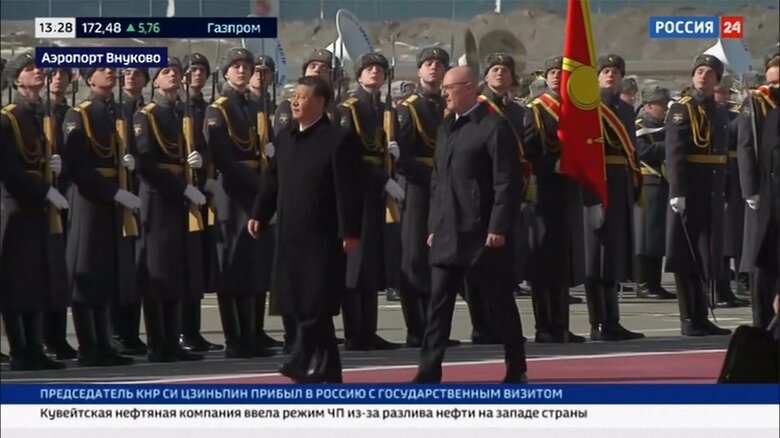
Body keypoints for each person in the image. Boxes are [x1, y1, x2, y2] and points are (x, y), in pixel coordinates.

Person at [412, 66, 527, 384]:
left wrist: (498, 227)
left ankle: (516, 366)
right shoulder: (446, 127)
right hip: (448, 231)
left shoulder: (493, 127)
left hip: (481, 234)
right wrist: (433, 225)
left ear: (469, 87)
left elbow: (507, 182)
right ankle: (428, 370)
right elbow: (438, 180)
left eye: (450, 87)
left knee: (498, 301)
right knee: (439, 305)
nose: (444, 94)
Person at [248, 75, 362, 383]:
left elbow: (348, 191)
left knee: (315, 302)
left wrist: (350, 231)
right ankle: (329, 371)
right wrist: (260, 213)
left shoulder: (337, 139)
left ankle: (300, 359)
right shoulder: (286, 138)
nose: (295, 101)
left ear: (320, 102)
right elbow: (272, 181)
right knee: (301, 304)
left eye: (302, 96)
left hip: (323, 236)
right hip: (290, 235)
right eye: (294, 96)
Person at [62, 65, 138, 367]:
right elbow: (78, 167)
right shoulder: (78, 114)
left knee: (105, 274)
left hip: (110, 199)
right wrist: (113, 192)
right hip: (90, 200)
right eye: (102, 69)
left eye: (111, 68)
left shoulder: (115, 112)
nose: (110, 72)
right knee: (87, 272)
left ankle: (105, 343)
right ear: (88, 78)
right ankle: (89, 346)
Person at [132, 57, 206, 363]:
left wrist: (199, 165)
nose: (173, 75)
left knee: (177, 272)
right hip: (158, 199)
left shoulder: (185, 113)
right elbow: (146, 163)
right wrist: (181, 187)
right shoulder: (145, 115)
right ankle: (158, 343)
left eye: (176, 71)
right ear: (155, 82)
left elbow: (197, 150)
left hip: (179, 200)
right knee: (157, 274)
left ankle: (173, 341)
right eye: (166, 72)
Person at [0, 52, 69, 370]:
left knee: (37, 279)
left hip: (37, 208)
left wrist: (54, 169)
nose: (38, 72)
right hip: (15, 208)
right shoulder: (8, 118)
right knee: (16, 283)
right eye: (29, 69)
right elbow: (10, 169)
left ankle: (36, 348)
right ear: (17, 80)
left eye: (38, 67)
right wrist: (44, 189)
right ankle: (20, 350)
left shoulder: (42, 114)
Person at [204, 47, 274, 358]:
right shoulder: (217, 109)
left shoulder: (254, 106)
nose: (243, 71)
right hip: (233, 193)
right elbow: (224, 159)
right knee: (233, 267)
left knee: (253, 264)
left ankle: (253, 334)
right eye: (237, 66)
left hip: (255, 190)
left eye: (247, 66)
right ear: (226, 72)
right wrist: (262, 186)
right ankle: (235, 339)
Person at [395, 47, 460, 347]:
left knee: (442, 258)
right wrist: (432, 179)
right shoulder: (409, 109)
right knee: (415, 257)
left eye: (439, 64)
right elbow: (403, 157)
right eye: (428, 63)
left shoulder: (451, 107)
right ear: (419, 70)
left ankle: (437, 329)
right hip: (419, 189)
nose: (434, 68)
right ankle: (416, 327)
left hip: (447, 189)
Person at [338, 52, 402, 351]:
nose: (375, 72)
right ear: (358, 75)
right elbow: (349, 157)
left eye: (380, 68)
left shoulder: (384, 110)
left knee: (371, 264)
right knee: (356, 264)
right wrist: (381, 179)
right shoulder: (348, 108)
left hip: (376, 193)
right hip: (357, 192)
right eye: (369, 68)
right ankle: (355, 332)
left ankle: (369, 330)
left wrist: (393, 159)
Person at [665, 54, 732, 336]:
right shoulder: (683, 108)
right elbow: (675, 151)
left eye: (709, 73)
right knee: (686, 254)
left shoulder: (717, 109)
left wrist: (725, 189)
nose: (703, 76)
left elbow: (722, 154)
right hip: (690, 188)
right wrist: (677, 191)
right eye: (700, 71)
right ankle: (688, 318)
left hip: (711, 189)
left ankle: (701, 314)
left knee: (706, 254)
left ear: (717, 79)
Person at [523, 55, 587, 343]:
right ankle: (544, 326)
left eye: (561, 73)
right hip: (544, 190)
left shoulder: (575, 109)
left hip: (568, 189)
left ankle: (561, 324)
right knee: (543, 260)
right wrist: (552, 165)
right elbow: (528, 150)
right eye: (552, 73)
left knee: (564, 259)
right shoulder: (536, 109)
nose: (557, 77)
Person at [584, 54, 644, 341]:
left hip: (620, 183)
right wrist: (590, 196)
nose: (610, 76)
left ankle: (613, 319)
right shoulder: (588, 107)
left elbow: (631, 151)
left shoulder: (625, 109)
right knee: (596, 256)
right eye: (605, 71)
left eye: (616, 72)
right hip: (598, 182)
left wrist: (634, 188)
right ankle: (598, 321)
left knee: (615, 254)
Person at [177, 52, 224, 353]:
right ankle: (182, 331)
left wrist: (205, 167)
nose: (197, 74)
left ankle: (192, 330)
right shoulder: (175, 108)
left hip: (203, 191)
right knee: (181, 266)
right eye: (192, 69)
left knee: (196, 265)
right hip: (179, 194)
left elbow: (209, 149)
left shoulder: (206, 108)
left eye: (202, 70)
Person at [738, 43, 779, 330]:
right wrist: (750, 188)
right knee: (764, 259)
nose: (775, 88)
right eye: (772, 82)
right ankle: (761, 321)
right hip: (766, 191)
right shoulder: (756, 103)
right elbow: (746, 146)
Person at [110, 66, 150, 357]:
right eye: (126, 72)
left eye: (137, 72)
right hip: (118, 193)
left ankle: (131, 332)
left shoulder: (146, 110)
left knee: (136, 268)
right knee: (119, 266)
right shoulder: (114, 110)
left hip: (143, 192)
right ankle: (116, 332)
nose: (131, 76)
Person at [40, 66, 79, 359]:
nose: (57, 79)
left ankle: (56, 336)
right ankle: (40, 337)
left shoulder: (71, 113)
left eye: (62, 75)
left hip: (65, 195)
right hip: (38, 198)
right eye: (52, 74)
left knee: (59, 272)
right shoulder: (34, 111)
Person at [246, 53, 282, 350]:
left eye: (265, 72)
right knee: (244, 268)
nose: (259, 76)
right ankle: (244, 333)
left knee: (260, 266)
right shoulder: (237, 107)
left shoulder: (271, 105)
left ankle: (256, 329)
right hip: (246, 190)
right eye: (253, 71)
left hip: (268, 188)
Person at [633, 84, 675, 300]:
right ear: (648, 106)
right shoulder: (639, 127)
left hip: (663, 184)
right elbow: (643, 152)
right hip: (647, 184)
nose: (666, 109)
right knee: (645, 238)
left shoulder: (666, 127)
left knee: (657, 238)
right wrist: (670, 145)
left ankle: (655, 283)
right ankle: (643, 283)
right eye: (661, 104)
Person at [274, 48, 339, 134]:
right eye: (312, 66)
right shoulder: (289, 106)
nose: (317, 70)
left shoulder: (338, 108)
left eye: (324, 68)